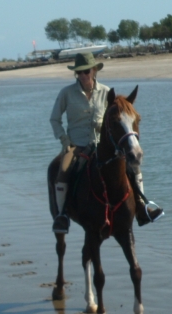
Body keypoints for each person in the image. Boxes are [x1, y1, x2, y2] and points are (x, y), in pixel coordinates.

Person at [50, 52, 163, 233]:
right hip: (76, 144)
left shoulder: (106, 92)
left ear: (94, 71)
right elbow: (54, 119)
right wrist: (65, 140)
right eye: (79, 72)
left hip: (103, 145)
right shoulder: (66, 93)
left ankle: (142, 207)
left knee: (133, 167)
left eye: (87, 71)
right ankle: (62, 215)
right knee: (63, 171)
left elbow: (116, 120)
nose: (83, 76)